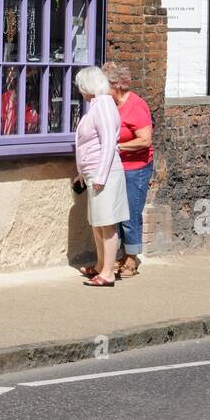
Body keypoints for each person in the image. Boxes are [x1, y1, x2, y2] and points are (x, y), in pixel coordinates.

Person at [72, 65, 129, 288]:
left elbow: (108, 143)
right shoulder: (97, 105)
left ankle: (108, 273)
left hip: (103, 173)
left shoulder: (104, 105)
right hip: (93, 172)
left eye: (80, 86)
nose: (80, 91)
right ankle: (100, 265)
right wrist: (81, 172)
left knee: (107, 224)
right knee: (98, 223)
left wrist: (101, 176)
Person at [102, 60, 154, 279]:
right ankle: (119, 256)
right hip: (118, 166)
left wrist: (118, 146)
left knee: (130, 214)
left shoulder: (136, 105)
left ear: (117, 85)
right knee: (117, 213)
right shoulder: (111, 105)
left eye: (105, 85)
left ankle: (131, 259)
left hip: (136, 168)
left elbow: (145, 140)